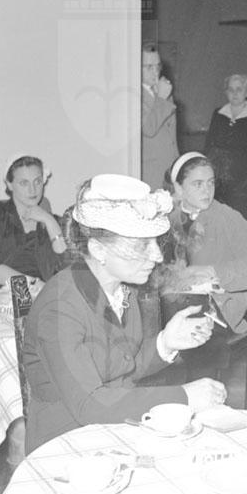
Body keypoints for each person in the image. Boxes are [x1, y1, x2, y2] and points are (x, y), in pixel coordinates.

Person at [23, 174, 226, 452]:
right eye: (142, 245)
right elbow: (90, 404)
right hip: (67, 443)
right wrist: (184, 396)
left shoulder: (124, 290)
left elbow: (120, 368)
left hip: (115, 427)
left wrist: (165, 343)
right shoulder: (59, 307)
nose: (157, 255)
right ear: (98, 249)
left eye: (155, 242)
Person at [157, 152, 247, 380]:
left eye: (211, 183)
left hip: (215, 306)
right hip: (169, 302)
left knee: (198, 338)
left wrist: (213, 272)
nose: (207, 191)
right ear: (178, 188)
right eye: (197, 184)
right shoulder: (164, 218)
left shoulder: (228, 218)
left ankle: (199, 391)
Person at [0, 154, 67, 293]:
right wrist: (32, 285)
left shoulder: (55, 222)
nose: (32, 190)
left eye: (37, 181)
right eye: (24, 183)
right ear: (9, 184)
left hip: (44, 297)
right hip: (2, 294)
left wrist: (50, 221)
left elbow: (67, 270)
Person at [204, 74, 247, 226]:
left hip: (244, 180)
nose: (235, 93)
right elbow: (209, 145)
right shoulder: (218, 114)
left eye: (239, 89)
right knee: (218, 220)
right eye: (231, 90)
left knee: (240, 221)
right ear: (226, 92)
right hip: (219, 178)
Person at [141, 42, 178, 191]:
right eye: (149, 67)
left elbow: (171, 136)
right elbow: (148, 129)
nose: (155, 72)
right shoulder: (134, 95)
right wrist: (161, 98)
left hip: (170, 169)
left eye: (158, 66)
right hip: (150, 173)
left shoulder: (162, 92)